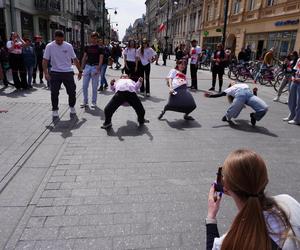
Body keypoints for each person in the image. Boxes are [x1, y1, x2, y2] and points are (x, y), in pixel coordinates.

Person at [206, 149, 300, 250]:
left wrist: (211, 217)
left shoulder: (228, 243)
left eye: (222, 174)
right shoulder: (288, 202)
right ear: (264, 179)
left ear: (226, 188)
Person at [42, 30, 82, 118]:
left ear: (63, 38)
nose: (59, 42)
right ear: (54, 38)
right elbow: (45, 60)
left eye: (61, 40)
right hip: (55, 72)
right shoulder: (49, 46)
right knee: (54, 92)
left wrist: (80, 71)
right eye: (57, 40)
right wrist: (46, 73)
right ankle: (55, 109)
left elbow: (75, 59)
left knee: (72, 92)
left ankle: (72, 106)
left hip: (68, 72)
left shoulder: (68, 46)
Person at [81, 32, 103, 108]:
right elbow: (84, 57)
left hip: (95, 67)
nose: (94, 39)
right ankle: (85, 101)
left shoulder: (100, 48)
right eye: (93, 38)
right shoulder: (87, 47)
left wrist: (98, 68)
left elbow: (101, 59)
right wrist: (81, 68)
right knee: (84, 86)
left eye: (95, 38)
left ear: (97, 39)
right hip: (87, 67)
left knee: (94, 86)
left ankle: (94, 102)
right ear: (91, 38)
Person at [283, 57, 300, 125]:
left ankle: (297, 119)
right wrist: (293, 77)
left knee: (299, 102)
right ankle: (292, 115)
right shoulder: (299, 59)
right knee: (291, 99)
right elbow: (294, 70)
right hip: (295, 80)